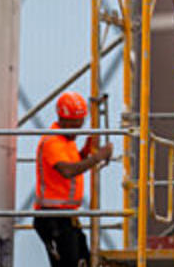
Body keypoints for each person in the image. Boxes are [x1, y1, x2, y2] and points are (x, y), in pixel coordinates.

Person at [32, 91, 113, 267]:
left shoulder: (67, 141)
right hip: (52, 217)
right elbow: (67, 171)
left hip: (66, 217)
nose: (78, 129)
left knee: (83, 260)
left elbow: (75, 162)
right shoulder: (52, 142)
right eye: (74, 124)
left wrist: (86, 151)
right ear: (63, 119)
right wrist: (97, 157)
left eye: (80, 124)